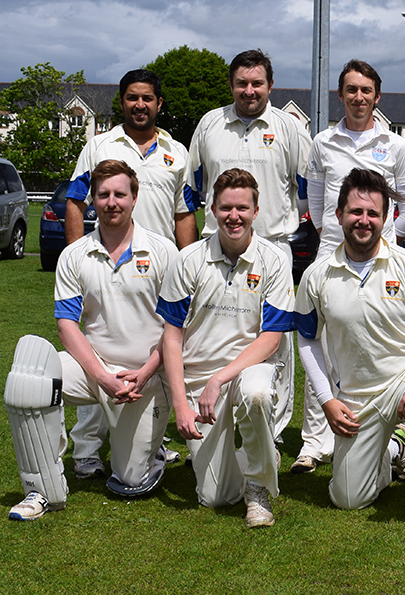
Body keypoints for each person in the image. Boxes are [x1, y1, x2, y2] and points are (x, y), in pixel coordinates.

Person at [295, 168, 405, 545]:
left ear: (386, 217)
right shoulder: (317, 275)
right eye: (355, 212)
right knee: (347, 500)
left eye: (373, 213)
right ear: (338, 214)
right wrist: (326, 400)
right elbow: (307, 339)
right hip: (355, 399)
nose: (364, 220)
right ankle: (395, 448)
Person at [7, 159, 177, 521]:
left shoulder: (163, 251)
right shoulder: (74, 254)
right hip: (94, 371)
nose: (111, 202)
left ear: (134, 198)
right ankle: (42, 487)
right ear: (93, 200)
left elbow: (176, 327)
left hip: (145, 377)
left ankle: (152, 453)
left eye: (120, 194)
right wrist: (102, 377)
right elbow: (67, 325)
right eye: (103, 195)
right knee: (30, 381)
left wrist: (145, 372)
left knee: (131, 480)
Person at [64, 69, 196, 479]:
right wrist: (78, 259)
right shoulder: (99, 145)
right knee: (100, 347)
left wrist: (187, 269)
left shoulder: (177, 152)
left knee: (156, 349)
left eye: (147, 98)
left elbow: (184, 213)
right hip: (104, 261)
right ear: (121, 101)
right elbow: (75, 202)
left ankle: (153, 440)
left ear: (159, 103)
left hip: (159, 268)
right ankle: (87, 449)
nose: (140, 105)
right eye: (132, 97)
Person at [292, 59, 405, 475]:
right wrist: (333, 233)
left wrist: (385, 239)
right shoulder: (323, 142)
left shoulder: (395, 145)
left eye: (366, 90)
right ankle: (315, 441)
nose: (358, 97)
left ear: (376, 96)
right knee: (322, 347)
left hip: (381, 258)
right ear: (341, 95)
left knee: (382, 346)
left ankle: (394, 438)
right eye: (351, 90)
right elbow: (313, 203)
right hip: (332, 254)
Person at [189, 49, 312, 449]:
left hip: (273, 247)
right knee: (211, 334)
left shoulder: (289, 127)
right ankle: (210, 422)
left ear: (270, 85)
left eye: (257, 83)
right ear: (231, 85)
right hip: (216, 247)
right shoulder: (209, 124)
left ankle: (269, 432)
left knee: (276, 341)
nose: (249, 90)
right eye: (241, 83)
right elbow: (193, 188)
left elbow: (307, 188)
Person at [157, 169, 294, 528]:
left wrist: (221, 378)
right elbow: (172, 337)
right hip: (199, 380)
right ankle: (259, 455)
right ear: (213, 210)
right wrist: (181, 405)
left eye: (242, 208)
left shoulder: (274, 260)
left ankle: (258, 488)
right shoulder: (188, 259)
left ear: (256, 211)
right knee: (215, 497)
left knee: (256, 394)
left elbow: (271, 338)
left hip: (249, 369)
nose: (234, 216)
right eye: (226, 208)